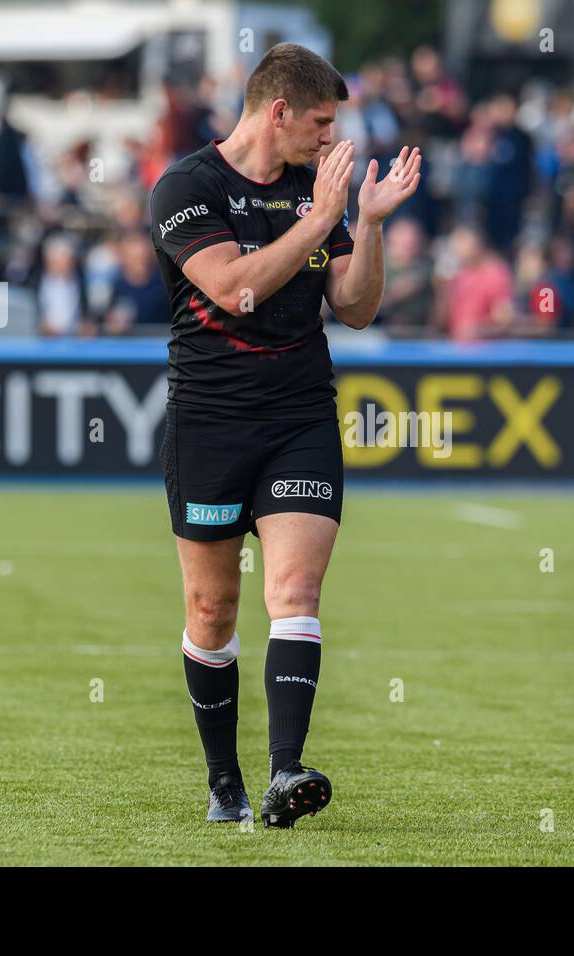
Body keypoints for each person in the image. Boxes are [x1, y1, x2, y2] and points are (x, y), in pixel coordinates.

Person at [149, 43, 420, 828]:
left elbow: (358, 306)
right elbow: (235, 288)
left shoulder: (318, 188)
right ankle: (224, 781)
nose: (334, 138)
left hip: (300, 415)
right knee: (212, 609)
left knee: (296, 593)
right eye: (323, 122)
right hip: (209, 420)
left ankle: (284, 772)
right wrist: (324, 219)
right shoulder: (187, 186)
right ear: (279, 112)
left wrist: (365, 224)